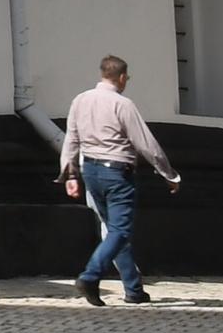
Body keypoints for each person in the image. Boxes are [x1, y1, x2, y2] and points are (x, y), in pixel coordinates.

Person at [61, 53, 183, 303]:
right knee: (120, 230)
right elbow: (146, 143)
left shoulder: (80, 100)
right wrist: (169, 174)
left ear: (102, 73)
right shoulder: (122, 104)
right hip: (116, 173)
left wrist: (69, 174)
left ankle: (133, 289)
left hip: (90, 172)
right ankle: (90, 276)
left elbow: (71, 139)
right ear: (123, 77)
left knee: (114, 231)